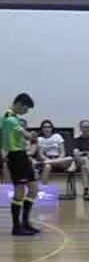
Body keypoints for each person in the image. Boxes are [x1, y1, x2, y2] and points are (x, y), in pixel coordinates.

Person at [3, 94, 39, 235]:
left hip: (22, 156)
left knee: (33, 189)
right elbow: (27, 136)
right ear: (21, 104)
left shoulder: (13, 118)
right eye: (26, 109)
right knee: (19, 190)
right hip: (16, 156)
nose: (27, 112)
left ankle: (25, 222)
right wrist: (32, 135)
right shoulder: (9, 119)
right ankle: (16, 227)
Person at [37, 120, 74, 186]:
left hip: (60, 160)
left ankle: (51, 162)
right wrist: (49, 160)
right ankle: (43, 186)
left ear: (52, 128)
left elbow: (63, 152)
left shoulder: (57, 136)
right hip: (47, 160)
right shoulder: (40, 139)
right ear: (42, 129)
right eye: (44, 127)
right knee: (47, 166)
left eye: (48, 127)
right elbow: (41, 155)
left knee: (70, 158)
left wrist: (58, 160)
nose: (47, 129)